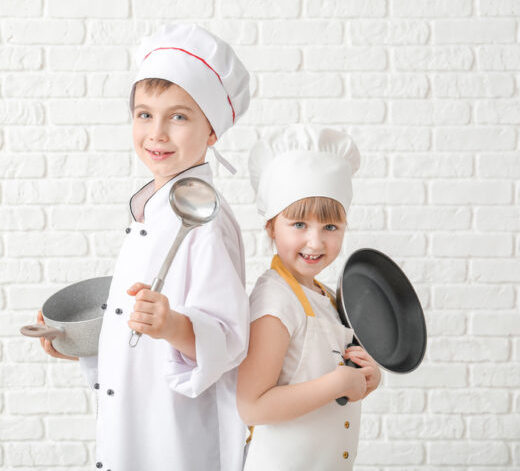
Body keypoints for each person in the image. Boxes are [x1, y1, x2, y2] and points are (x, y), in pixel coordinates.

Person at [36, 24, 252, 471]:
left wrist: (173, 325)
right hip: (137, 416)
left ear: (212, 131)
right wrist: (81, 342)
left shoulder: (205, 223)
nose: (156, 133)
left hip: (176, 431)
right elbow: (132, 315)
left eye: (178, 116)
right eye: (144, 114)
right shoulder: (153, 207)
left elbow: (229, 339)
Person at [238, 126, 382, 470]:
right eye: (299, 224)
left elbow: (337, 373)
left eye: (330, 227)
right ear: (272, 226)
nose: (316, 242)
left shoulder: (328, 298)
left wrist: (365, 376)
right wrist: (334, 384)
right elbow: (252, 406)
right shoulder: (276, 302)